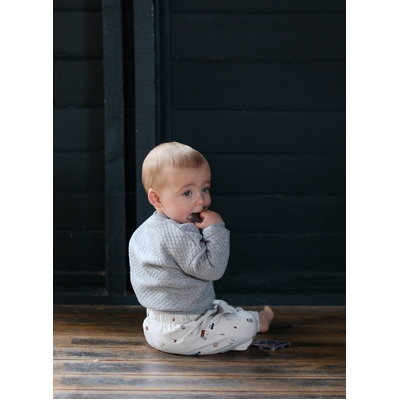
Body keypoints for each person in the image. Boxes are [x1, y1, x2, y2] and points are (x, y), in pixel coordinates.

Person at [129, 142, 274, 355]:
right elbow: (213, 270)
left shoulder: (143, 231)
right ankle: (257, 321)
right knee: (241, 326)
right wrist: (215, 228)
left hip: (153, 327)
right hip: (188, 331)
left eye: (204, 189)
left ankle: (233, 316)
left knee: (216, 305)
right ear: (156, 198)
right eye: (187, 193)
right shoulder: (181, 233)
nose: (201, 200)